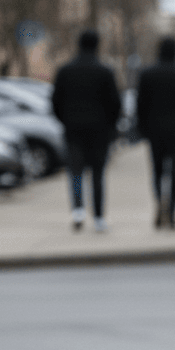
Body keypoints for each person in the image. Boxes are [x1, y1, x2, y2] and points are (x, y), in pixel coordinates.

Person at [52, 29, 121, 233]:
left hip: (73, 129)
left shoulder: (65, 71)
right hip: (100, 131)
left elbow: (56, 102)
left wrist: (65, 120)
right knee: (98, 174)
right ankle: (99, 216)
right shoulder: (105, 71)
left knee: (75, 172)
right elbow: (115, 104)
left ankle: (78, 210)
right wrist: (110, 125)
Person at [136, 36, 175, 229]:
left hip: (154, 131)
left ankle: (159, 205)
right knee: (174, 172)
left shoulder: (147, 74)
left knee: (157, 172)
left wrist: (143, 128)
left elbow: (140, 105)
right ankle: (171, 212)